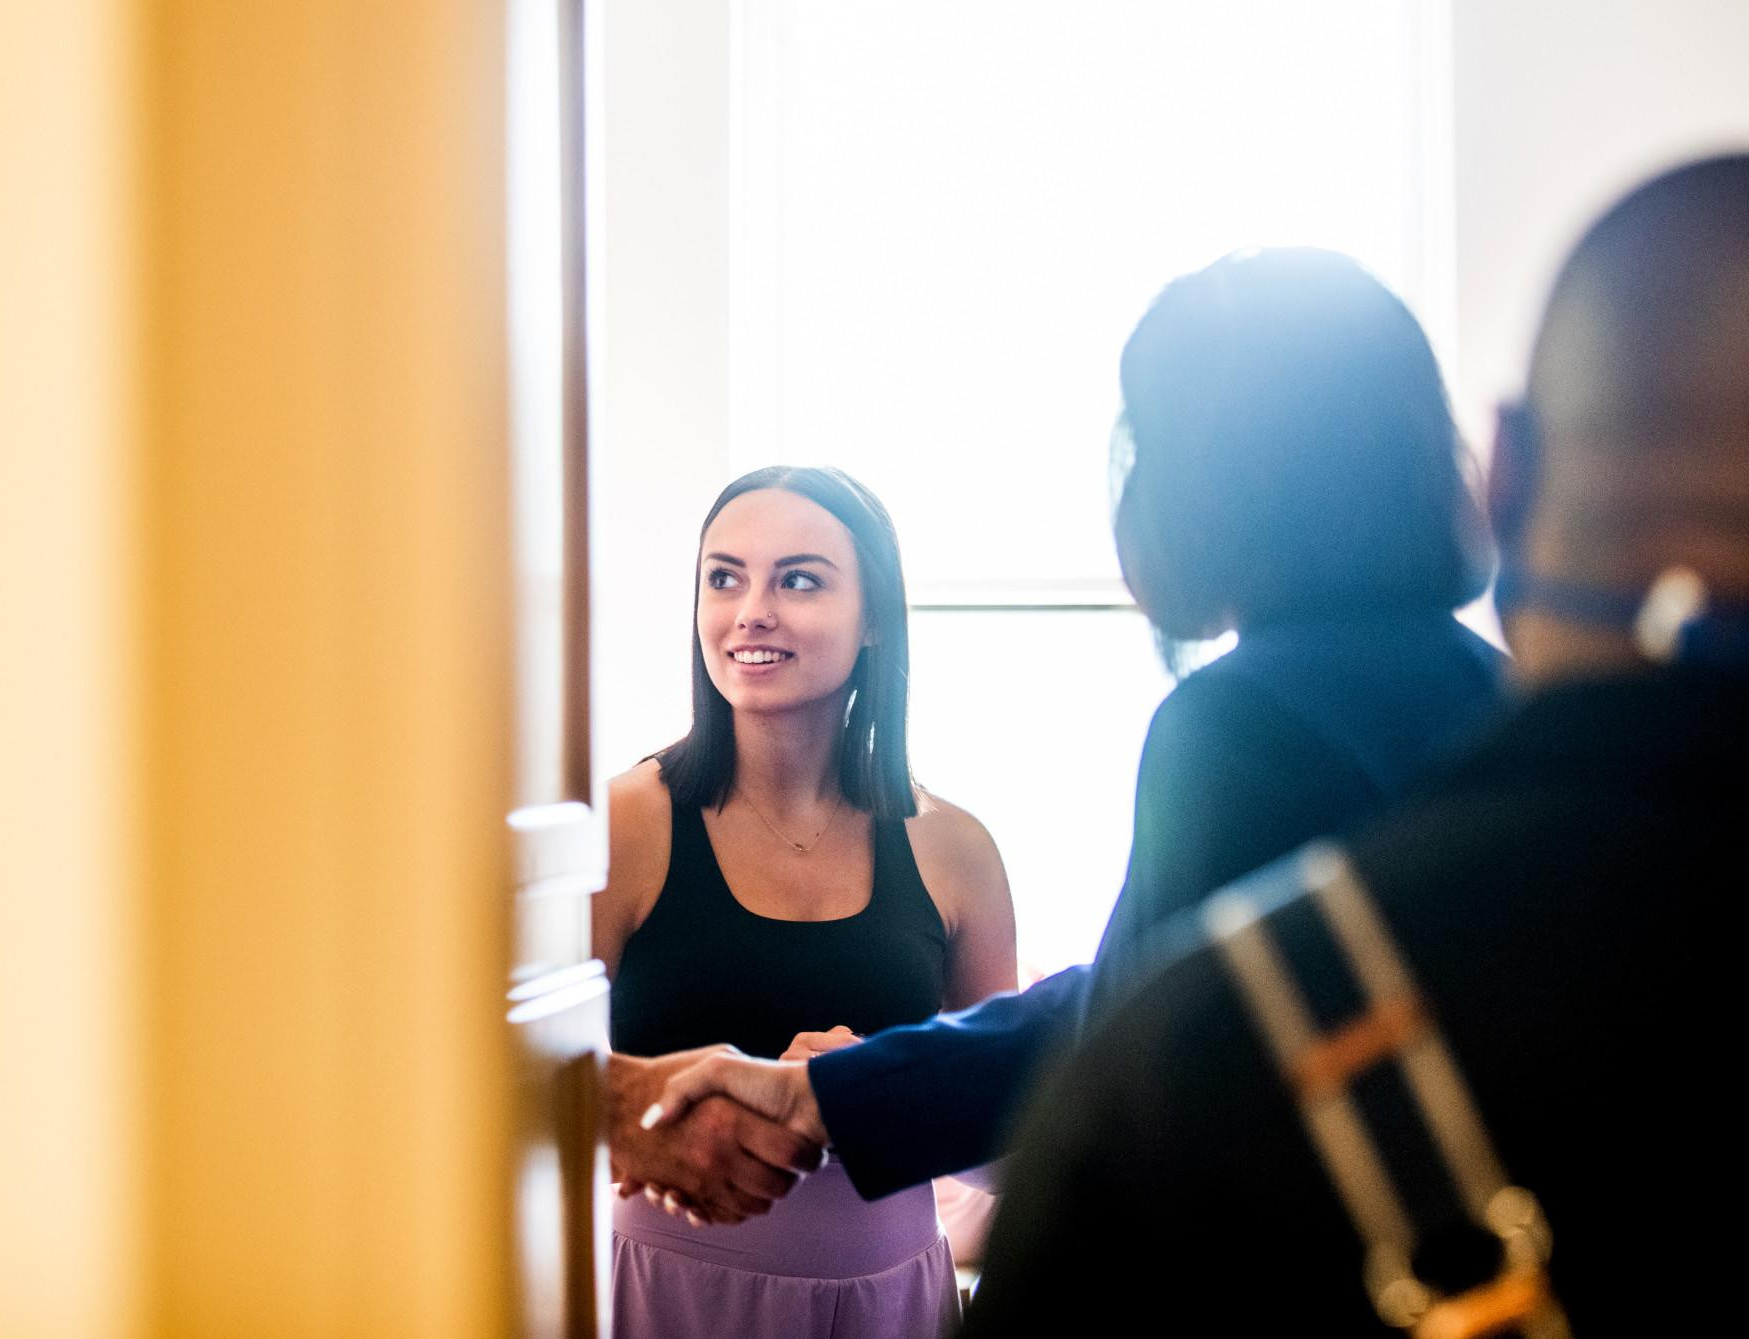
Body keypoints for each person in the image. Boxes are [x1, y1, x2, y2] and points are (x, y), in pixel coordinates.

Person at [958, 153, 1749, 1333]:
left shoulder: (1225, 732)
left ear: (1511, 474)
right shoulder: (1475, 686)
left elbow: (1160, 1014)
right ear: (1459, 474)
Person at [622, 247, 1506, 1205]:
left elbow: (1138, 1035)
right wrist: (822, 1092)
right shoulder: (1495, 690)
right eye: (725, 575)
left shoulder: (1242, 725)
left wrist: (829, 1097)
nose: (755, 610)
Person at [599, 466, 1017, 1338]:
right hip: (674, 1296)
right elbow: (505, 1075)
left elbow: (1010, 1140)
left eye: (798, 579)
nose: (752, 609)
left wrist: (882, 1086)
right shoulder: (624, 825)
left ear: (873, 620)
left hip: (890, 1303)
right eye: (725, 577)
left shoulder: (956, 848)